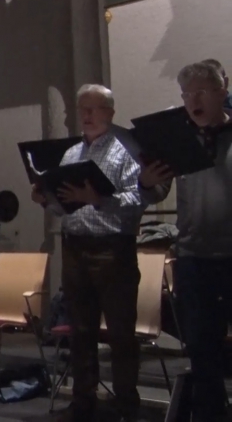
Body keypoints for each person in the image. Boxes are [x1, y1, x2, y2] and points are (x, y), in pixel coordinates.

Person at [30, 84, 146, 422]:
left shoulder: (126, 149)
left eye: (94, 109)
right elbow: (64, 206)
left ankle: (126, 403)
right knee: (80, 330)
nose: (87, 116)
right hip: (76, 248)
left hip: (113, 250)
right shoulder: (71, 155)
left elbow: (139, 198)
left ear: (110, 112)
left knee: (121, 332)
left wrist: (100, 199)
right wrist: (47, 200)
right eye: (83, 109)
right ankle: (83, 401)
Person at [137, 62, 232, 421]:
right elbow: (157, 188)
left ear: (222, 89)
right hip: (195, 258)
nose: (193, 99)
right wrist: (147, 182)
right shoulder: (179, 139)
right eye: (187, 94)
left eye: (201, 91)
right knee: (202, 350)